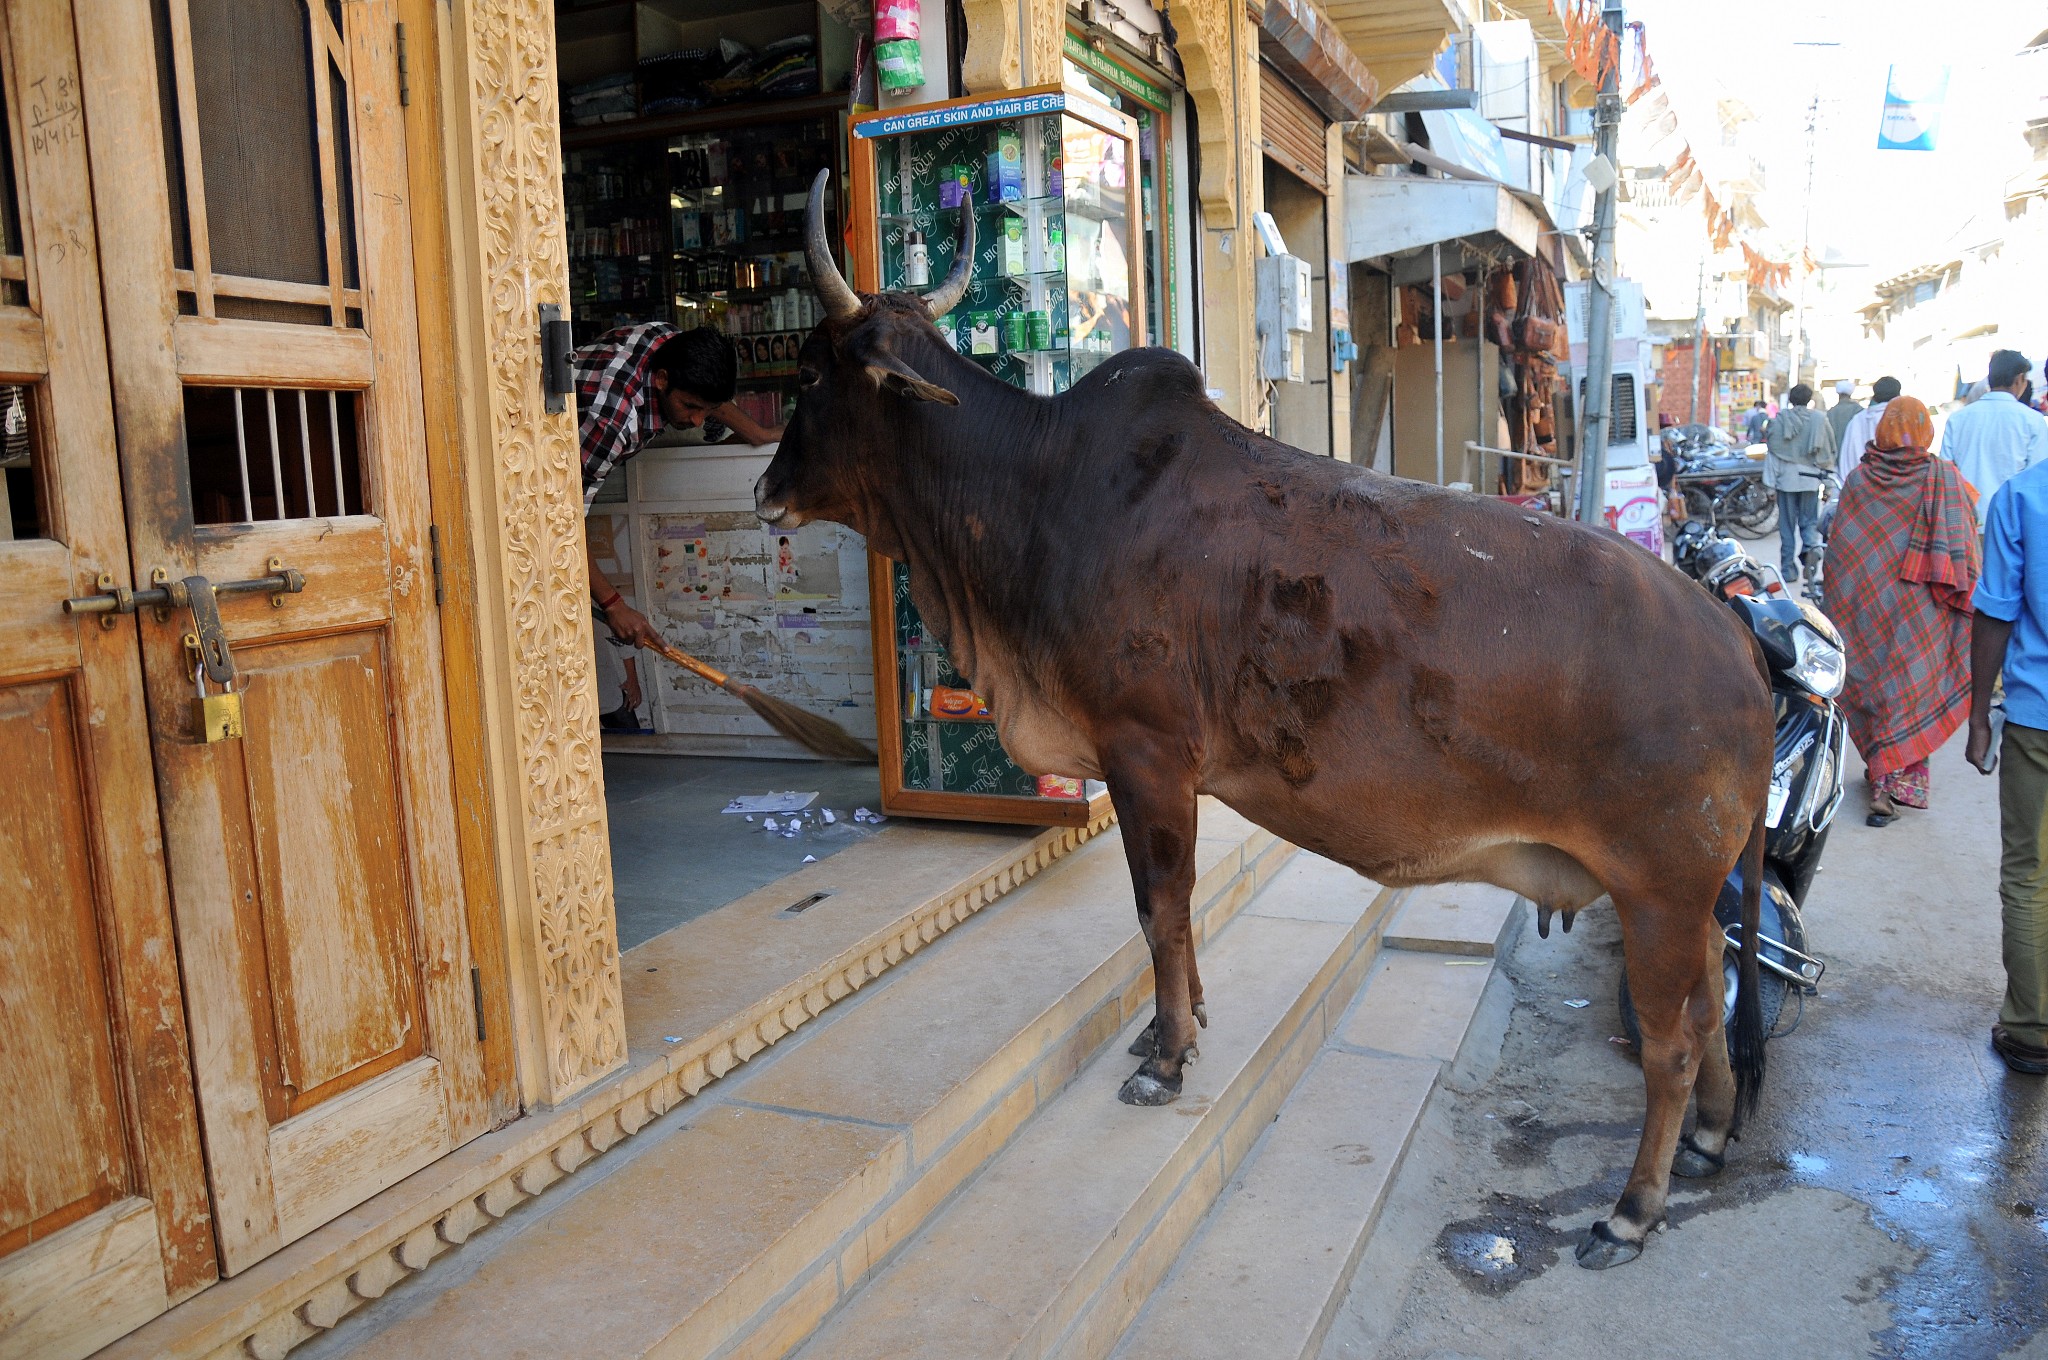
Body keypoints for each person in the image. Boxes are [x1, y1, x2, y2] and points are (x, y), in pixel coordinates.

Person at [575, 323, 783, 648]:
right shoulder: (613, 425)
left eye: (707, 410)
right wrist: (613, 604)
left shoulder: (668, 340)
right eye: (690, 407)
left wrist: (758, 434)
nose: (698, 421)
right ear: (661, 380)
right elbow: (561, 522)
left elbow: (707, 396)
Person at [1827, 396, 1981, 826]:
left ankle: (1880, 776)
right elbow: (1966, 548)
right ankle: (1892, 783)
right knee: (1909, 685)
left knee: (1874, 685)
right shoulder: (1945, 478)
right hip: (1923, 606)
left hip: (1865, 604)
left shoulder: (1860, 480)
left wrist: (1842, 601)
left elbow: (1841, 555)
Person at [1967, 451, 2048, 1075]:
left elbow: (1996, 611)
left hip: (2038, 717)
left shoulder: (2022, 496)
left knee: (2029, 875)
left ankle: (2031, 1030)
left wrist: (1977, 716)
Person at [1942, 349, 2047, 529]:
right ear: (2019, 379)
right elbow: (2038, 482)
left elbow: (1946, 472)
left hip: (1967, 524)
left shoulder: (1957, 419)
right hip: (2011, 525)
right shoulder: (2032, 421)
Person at [1763, 384, 1834, 584]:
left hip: (1786, 480)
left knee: (1787, 527)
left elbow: (1774, 455)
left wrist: (1769, 485)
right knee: (1809, 522)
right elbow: (1827, 454)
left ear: (1791, 399)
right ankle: (1811, 553)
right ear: (1809, 399)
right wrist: (1827, 485)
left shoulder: (1779, 421)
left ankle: (1788, 570)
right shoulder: (1820, 420)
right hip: (1811, 479)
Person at [1837, 374, 1901, 482]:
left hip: (1861, 487)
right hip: (1895, 487)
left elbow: (1847, 457)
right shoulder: (1902, 420)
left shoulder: (1857, 420)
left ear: (1875, 396)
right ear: (1898, 395)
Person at [1826, 379, 1863, 456]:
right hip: (1854, 454)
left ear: (1838, 394)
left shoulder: (1831, 412)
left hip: (1835, 455)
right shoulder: (1859, 410)